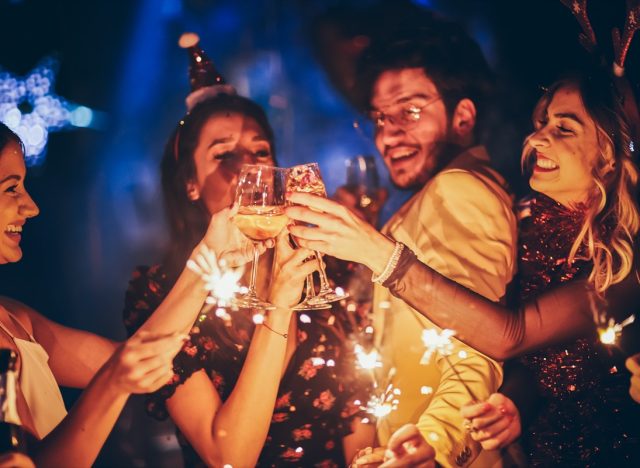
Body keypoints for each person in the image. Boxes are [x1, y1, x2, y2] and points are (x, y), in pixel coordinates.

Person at [287, 71, 640, 465]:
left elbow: (512, 335)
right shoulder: (527, 223)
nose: (538, 138)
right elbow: (535, 365)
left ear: (612, 158)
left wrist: (377, 252)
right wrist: (514, 402)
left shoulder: (625, 269)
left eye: (565, 129)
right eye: (542, 124)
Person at [123, 35, 376, 467]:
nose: (249, 166)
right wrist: (279, 306)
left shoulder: (325, 270)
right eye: (224, 154)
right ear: (191, 184)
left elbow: (360, 423)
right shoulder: (161, 294)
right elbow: (229, 457)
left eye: (260, 151)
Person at [288, 20, 517, 467]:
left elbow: (478, 349)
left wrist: (434, 444)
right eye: (379, 117)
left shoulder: (460, 190)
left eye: (409, 111)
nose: (388, 135)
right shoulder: (430, 200)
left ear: (462, 116)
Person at [0, 121, 194, 466]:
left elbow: (131, 361)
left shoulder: (16, 319)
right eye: (11, 189)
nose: (32, 207)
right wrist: (113, 385)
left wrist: (209, 263)